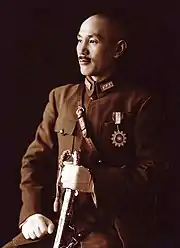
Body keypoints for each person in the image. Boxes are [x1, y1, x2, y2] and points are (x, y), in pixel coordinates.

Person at [3, 11, 170, 248]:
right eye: (79, 40)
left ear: (118, 49)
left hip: (111, 230)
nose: (82, 50)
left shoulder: (140, 103)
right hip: (58, 224)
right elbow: (34, 161)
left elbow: (155, 173)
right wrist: (31, 212)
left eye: (93, 41)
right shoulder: (61, 98)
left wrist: (95, 181)